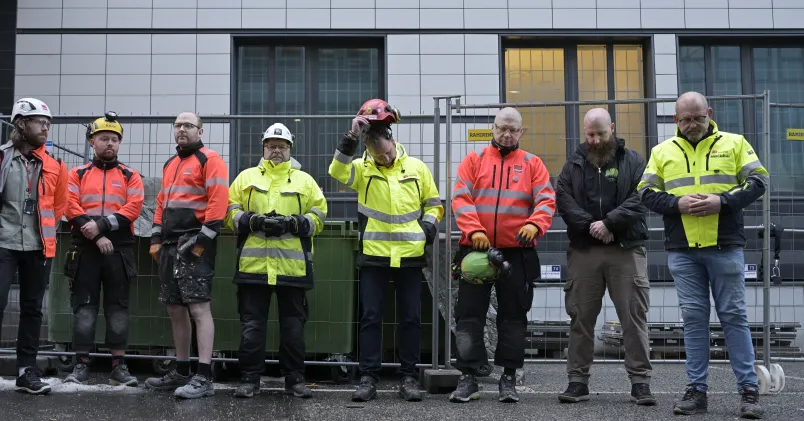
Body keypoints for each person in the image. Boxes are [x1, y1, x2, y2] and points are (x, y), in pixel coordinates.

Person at [638, 91, 768, 419]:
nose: (692, 124)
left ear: (709, 112)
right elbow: (645, 192)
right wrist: (676, 204)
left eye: (698, 117)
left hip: (725, 246)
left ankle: (749, 392)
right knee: (694, 322)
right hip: (683, 251)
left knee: (734, 317)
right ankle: (697, 391)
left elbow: (759, 180)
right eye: (685, 119)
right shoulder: (661, 151)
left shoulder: (735, 143)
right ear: (675, 120)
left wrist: (721, 202)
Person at [328, 99, 444, 402]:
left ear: (392, 141)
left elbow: (434, 204)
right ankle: (368, 378)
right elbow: (336, 172)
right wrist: (351, 136)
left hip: (409, 255)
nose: (383, 158)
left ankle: (408, 378)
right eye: (377, 155)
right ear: (368, 149)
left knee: (410, 318)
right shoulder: (363, 168)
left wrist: (428, 229)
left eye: (386, 153)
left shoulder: (416, 168)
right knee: (371, 317)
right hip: (374, 256)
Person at [449, 107, 556, 404]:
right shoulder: (475, 160)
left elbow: (546, 200)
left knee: (513, 317)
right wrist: (475, 230)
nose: (506, 134)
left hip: (516, 252)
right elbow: (460, 197)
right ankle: (468, 377)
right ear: (493, 128)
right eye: (501, 128)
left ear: (521, 132)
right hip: (477, 249)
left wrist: (535, 224)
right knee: (468, 315)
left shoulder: (533, 164)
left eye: (513, 129)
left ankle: (508, 378)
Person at [554, 108, 655, 405]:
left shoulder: (634, 161)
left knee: (634, 318)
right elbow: (564, 201)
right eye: (590, 134)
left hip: (626, 249)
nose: (595, 140)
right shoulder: (573, 164)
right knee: (580, 318)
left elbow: (642, 196)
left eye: (601, 133)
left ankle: (640, 383)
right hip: (585, 251)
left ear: (612, 128)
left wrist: (611, 223)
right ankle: (577, 381)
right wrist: (594, 227)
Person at [225, 123, 327, 399]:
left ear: (290, 149)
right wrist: (250, 220)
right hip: (253, 267)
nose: (276, 151)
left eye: (282, 146)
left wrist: (295, 223)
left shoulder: (304, 181)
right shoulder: (245, 178)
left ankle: (295, 379)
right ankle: (249, 379)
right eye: (271, 146)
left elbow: (319, 216)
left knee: (293, 327)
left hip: (292, 268)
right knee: (252, 326)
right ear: (263, 147)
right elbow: (229, 209)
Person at [144, 112, 229, 399]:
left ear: (200, 132)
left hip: (193, 241)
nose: (182, 130)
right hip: (169, 244)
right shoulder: (171, 163)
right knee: (175, 308)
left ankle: (203, 377)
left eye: (188, 126)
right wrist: (155, 237)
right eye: (178, 125)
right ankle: (182, 371)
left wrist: (203, 240)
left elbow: (219, 200)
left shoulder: (210, 160)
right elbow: (161, 202)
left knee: (198, 308)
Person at [63, 112, 144, 387]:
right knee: (83, 308)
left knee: (118, 309)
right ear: (92, 141)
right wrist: (97, 237)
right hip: (85, 251)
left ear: (119, 144)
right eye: (103, 138)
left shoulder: (131, 176)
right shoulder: (77, 174)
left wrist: (100, 226)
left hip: (119, 251)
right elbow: (70, 206)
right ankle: (81, 364)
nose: (109, 143)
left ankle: (118, 366)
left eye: (114, 139)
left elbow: (133, 208)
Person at [0, 98, 68, 395]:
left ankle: (27, 371)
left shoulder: (55, 165)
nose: (45, 126)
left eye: (48, 122)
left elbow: (60, 205)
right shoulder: (2, 158)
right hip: (3, 242)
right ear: (20, 124)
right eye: (40, 121)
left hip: (39, 246)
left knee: (32, 309)